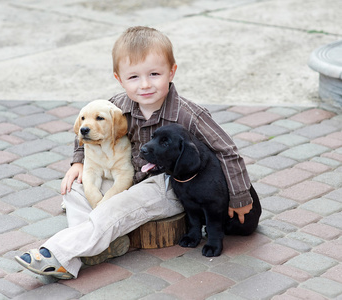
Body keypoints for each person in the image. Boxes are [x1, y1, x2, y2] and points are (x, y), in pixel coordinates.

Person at [15, 26, 256, 280]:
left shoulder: (189, 114)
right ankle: (102, 247)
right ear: (119, 78)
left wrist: (239, 197)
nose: (145, 85)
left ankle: (57, 254)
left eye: (154, 74)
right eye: (133, 77)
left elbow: (227, 151)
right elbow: (88, 125)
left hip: (168, 184)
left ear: (171, 72)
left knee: (121, 205)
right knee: (75, 190)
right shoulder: (116, 105)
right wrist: (78, 161)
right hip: (127, 176)